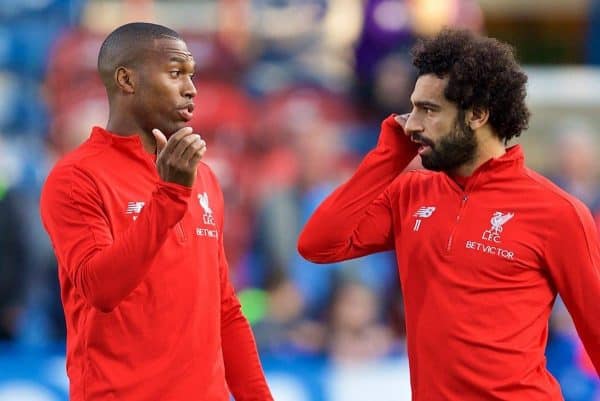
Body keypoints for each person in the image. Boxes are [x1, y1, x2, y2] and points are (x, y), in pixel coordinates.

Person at [298, 28, 600, 400]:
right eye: (413, 108)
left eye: (429, 110)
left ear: (477, 114)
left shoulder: (558, 212)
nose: (412, 124)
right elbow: (318, 244)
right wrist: (389, 156)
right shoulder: (409, 195)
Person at [40, 22, 273, 401]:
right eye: (176, 73)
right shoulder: (75, 178)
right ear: (126, 80)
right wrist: (170, 196)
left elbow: (225, 310)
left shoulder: (204, 178)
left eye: (192, 75)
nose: (192, 88)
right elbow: (101, 288)